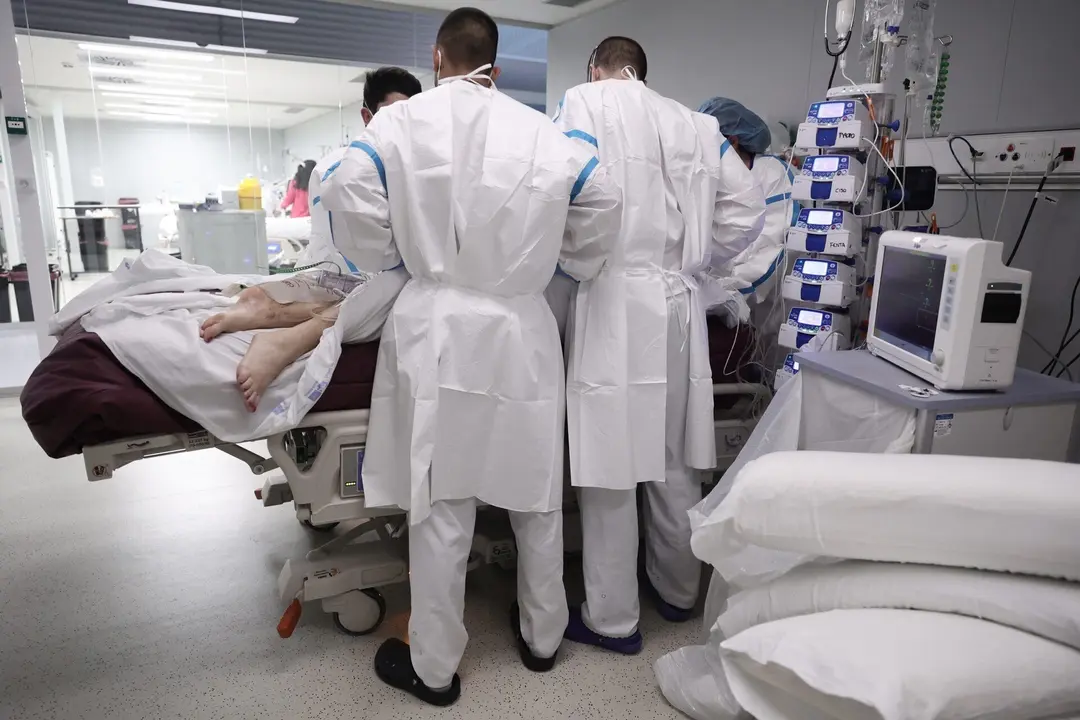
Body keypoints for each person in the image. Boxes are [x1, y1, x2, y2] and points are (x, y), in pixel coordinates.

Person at [202, 7, 620, 705]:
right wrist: (560, 260)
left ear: (437, 57)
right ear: (496, 64)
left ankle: (435, 667)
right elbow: (602, 199)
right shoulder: (546, 134)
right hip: (522, 325)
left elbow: (344, 188)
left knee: (442, 501)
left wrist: (393, 249)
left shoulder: (399, 123)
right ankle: (544, 639)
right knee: (536, 491)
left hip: (440, 324)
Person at [554, 37, 765, 654]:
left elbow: (566, 193)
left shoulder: (584, 101)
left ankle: (613, 618)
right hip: (678, 305)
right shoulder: (698, 124)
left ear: (595, 68)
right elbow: (747, 210)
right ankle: (678, 592)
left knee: (611, 466)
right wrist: (696, 262)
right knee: (675, 459)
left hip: (614, 297)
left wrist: (580, 261)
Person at [302, 67, 423, 268]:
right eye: (392, 116)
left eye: (409, 116)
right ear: (367, 116)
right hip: (348, 276)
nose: (403, 125)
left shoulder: (423, 164)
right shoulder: (332, 170)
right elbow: (338, 249)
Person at [697, 98, 797, 329]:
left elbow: (773, 251)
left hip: (767, 305)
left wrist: (729, 293)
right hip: (721, 300)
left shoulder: (773, 175)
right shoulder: (709, 178)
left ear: (732, 142)